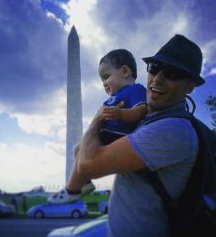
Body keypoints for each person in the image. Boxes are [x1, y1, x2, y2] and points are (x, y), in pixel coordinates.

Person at [74, 34, 205, 236]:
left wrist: (98, 119)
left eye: (171, 73)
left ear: (190, 87)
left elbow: (87, 164)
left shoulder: (171, 130)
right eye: (154, 68)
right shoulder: (151, 120)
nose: (157, 78)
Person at [48, 49, 147, 204]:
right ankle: (85, 183)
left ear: (125, 71)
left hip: (117, 135)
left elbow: (141, 110)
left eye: (106, 77)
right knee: (77, 149)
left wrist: (121, 114)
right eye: (102, 81)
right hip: (106, 133)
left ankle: (72, 189)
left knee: (84, 153)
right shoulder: (114, 98)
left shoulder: (136, 90)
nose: (104, 84)